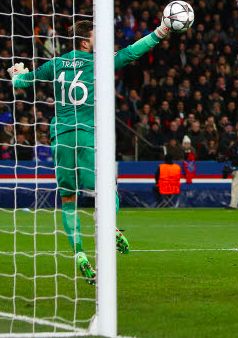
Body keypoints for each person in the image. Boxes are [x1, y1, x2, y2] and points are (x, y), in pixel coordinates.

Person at [8, 15, 177, 284]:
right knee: (107, 191)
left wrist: (16, 73)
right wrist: (160, 32)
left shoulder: (55, 63)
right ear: (86, 42)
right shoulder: (98, 63)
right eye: (96, 36)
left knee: (68, 200)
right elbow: (131, 52)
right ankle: (109, 228)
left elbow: (21, 83)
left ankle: (79, 255)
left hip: (60, 138)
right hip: (86, 136)